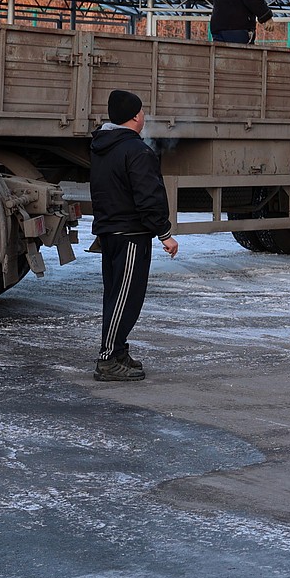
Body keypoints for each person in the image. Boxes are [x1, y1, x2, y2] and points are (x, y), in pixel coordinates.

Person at [89, 89, 179, 382]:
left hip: (111, 230)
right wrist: (164, 232)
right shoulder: (136, 151)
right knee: (126, 298)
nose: (144, 117)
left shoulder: (104, 146)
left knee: (116, 295)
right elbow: (148, 197)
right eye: (142, 112)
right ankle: (108, 359)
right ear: (135, 117)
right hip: (130, 234)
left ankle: (117, 351)